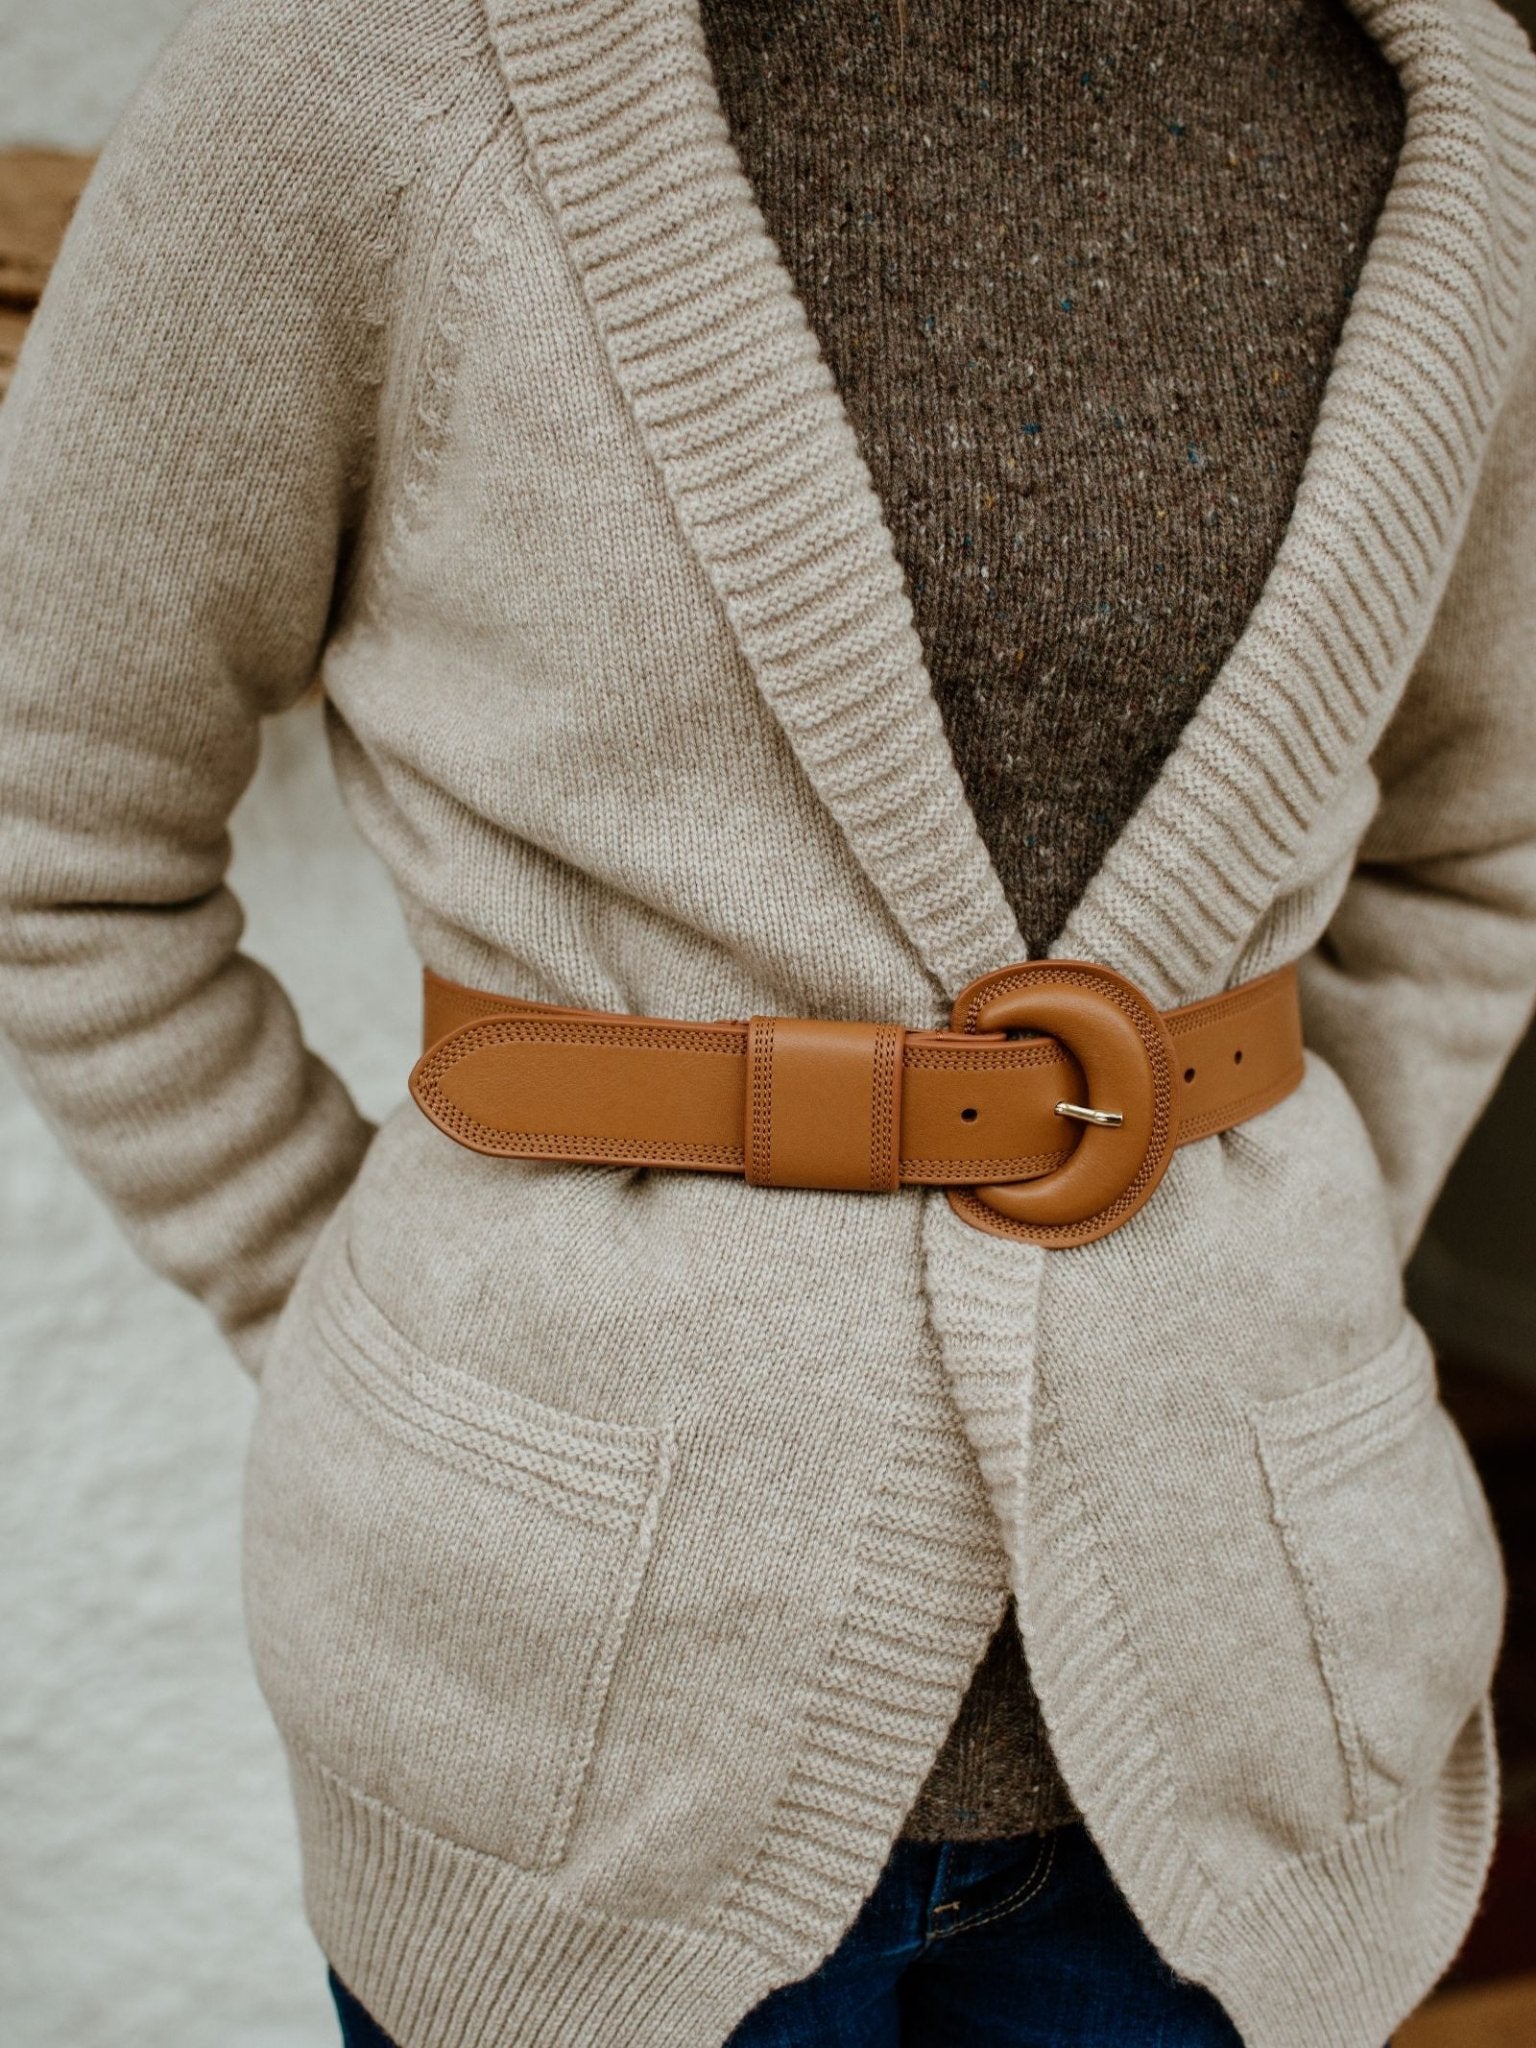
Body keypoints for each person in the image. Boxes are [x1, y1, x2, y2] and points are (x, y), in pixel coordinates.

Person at [1, 0, 1533, 2043]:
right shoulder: (362, 74)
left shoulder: (1467, 133)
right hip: (555, 1734)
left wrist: (1268, 1276)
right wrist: (364, 1312)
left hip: (1235, 1758)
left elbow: (1477, 845)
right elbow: (58, 824)